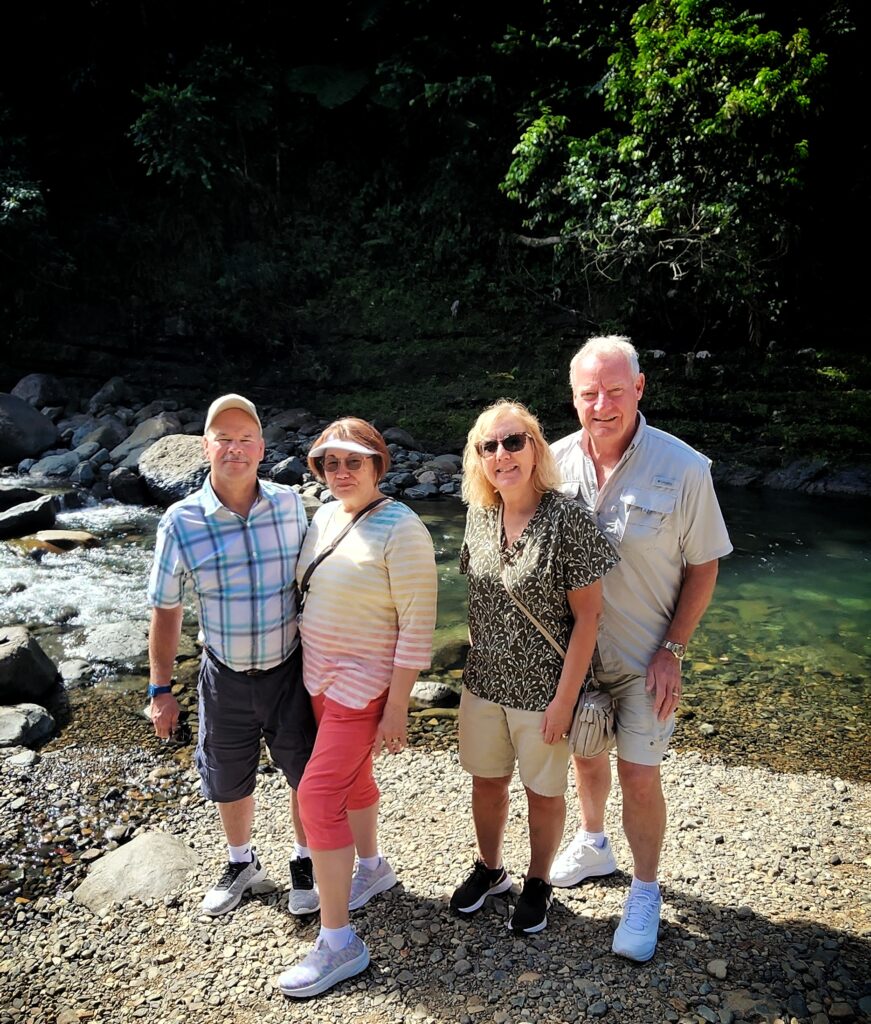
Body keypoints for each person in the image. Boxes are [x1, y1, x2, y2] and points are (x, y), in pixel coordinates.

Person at [549, 335, 733, 962]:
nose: (602, 405)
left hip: (644, 659)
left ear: (640, 389)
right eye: (588, 393)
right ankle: (594, 842)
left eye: (614, 391)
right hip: (575, 659)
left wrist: (673, 649)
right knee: (586, 754)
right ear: (574, 397)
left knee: (639, 773)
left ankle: (645, 889)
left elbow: (704, 568)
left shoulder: (685, 469)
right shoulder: (552, 462)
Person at [277, 417, 438, 999]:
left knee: (317, 795)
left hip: (364, 686)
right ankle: (371, 866)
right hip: (317, 678)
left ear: (377, 465)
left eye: (354, 462)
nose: (341, 472)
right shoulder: (322, 515)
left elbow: (418, 625)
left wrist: (398, 706)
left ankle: (340, 940)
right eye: (330, 463)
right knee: (350, 780)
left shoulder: (404, 528)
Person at [449, 399, 618, 935]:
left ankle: (538, 880)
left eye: (514, 441)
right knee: (486, 782)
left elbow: (589, 618)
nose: (503, 454)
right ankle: (491, 869)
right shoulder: (479, 515)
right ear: (479, 459)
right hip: (483, 685)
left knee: (543, 791)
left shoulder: (566, 517)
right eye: (489, 446)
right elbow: (477, 599)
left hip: (543, 690)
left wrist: (564, 702)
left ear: (536, 448)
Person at [147, 393, 318, 918]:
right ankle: (241, 863)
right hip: (223, 673)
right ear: (206, 447)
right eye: (224, 438)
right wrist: (160, 690)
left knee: (303, 771)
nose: (235, 449)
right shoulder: (180, 521)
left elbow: (321, 578)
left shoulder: (291, 504)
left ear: (262, 448)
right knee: (226, 774)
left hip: (290, 668)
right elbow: (165, 608)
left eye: (245, 439)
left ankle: (305, 861)